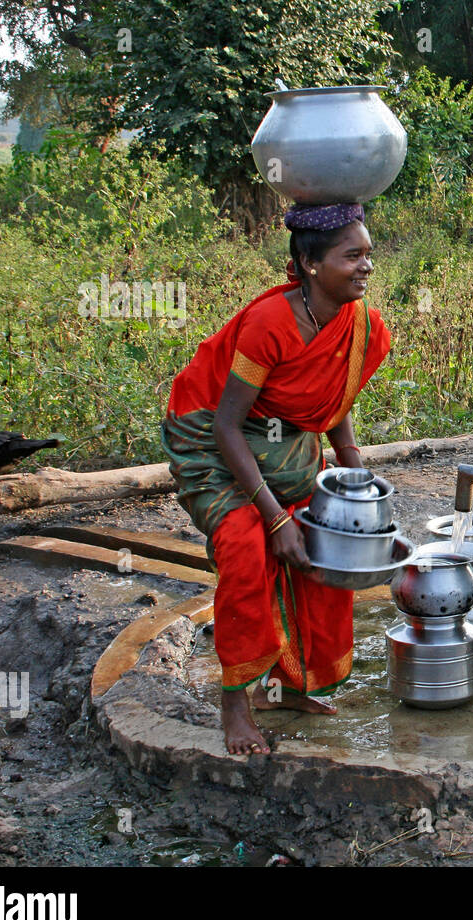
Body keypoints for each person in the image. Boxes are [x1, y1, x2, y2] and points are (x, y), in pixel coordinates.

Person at [161, 202, 390, 755]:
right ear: (311, 264)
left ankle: (291, 685)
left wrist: (352, 464)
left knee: (328, 540)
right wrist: (273, 517)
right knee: (247, 548)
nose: (366, 267)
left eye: (368, 255)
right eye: (351, 256)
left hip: (284, 443)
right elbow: (227, 424)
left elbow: (330, 399)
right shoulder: (270, 324)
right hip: (216, 447)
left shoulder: (357, 321)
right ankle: (237, 702)